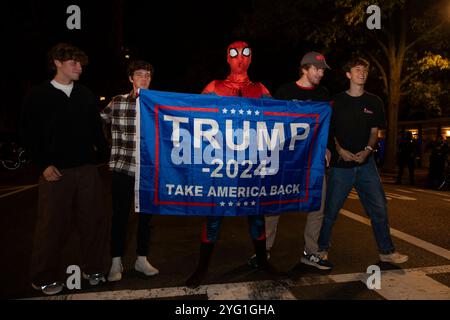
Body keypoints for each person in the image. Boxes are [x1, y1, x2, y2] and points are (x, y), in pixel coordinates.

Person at [20, 43, 110, 295]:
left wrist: (102, 156)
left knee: (94, 221)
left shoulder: (85, 94)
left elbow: (96, 131)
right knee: (51, 226)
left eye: (81, 64)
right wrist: (42, 164)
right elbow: (28, 135)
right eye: (74, 63)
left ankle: (94, 268)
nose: (79, 67)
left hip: (87, 170)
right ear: (58, 63)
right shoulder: (37, 95)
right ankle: (43, 277)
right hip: (55, 172)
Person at [185, 40, 274, 289]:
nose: (240, 59)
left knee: (256, 215)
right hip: (221, 164)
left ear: (251, 57)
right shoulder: (214, 87)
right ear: (227, 58)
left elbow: (281, 119)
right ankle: (201, 269)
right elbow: (190, 116)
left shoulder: (260, 88)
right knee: (214, 215)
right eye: (234, 54)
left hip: (251, 164)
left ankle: (263, 263)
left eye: (245, 54)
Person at [317, 57, 408, 266]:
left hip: (366, 166)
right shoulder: (336, 101)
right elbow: (329, 131)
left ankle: (386, 251)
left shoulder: (374, 101)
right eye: (357, 70)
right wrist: (340, 149)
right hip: (341, 166)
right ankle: (320, 250)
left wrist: (368, 150)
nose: (362, 73)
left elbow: (375, 131)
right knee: (330, 211)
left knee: (379, 208)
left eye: (365, 70)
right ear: (348, 74)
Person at [248, 51, 333, 270]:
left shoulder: (323, 94)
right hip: (287, 160)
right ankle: (263, 250)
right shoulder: (285, 91)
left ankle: (310, 253)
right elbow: (274, 125)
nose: (321, 73)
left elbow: (324, 126)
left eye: (323, 69)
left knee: (317, 204)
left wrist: (327, 147)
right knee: (274, 205)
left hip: (313, 161)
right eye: (318, 68)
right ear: (305, 68)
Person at [101, 60, 159, 282]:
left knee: (146, 218)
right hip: (123, 169)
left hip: (148, 171)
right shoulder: (117, 102)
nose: (144, 78)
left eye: (148, 75)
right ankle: (116, 261)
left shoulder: (158, 105)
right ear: (130, 78)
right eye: (139, 74)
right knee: (120, 217)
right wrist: (106, 144)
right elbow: (97, 121)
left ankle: (141, 259)